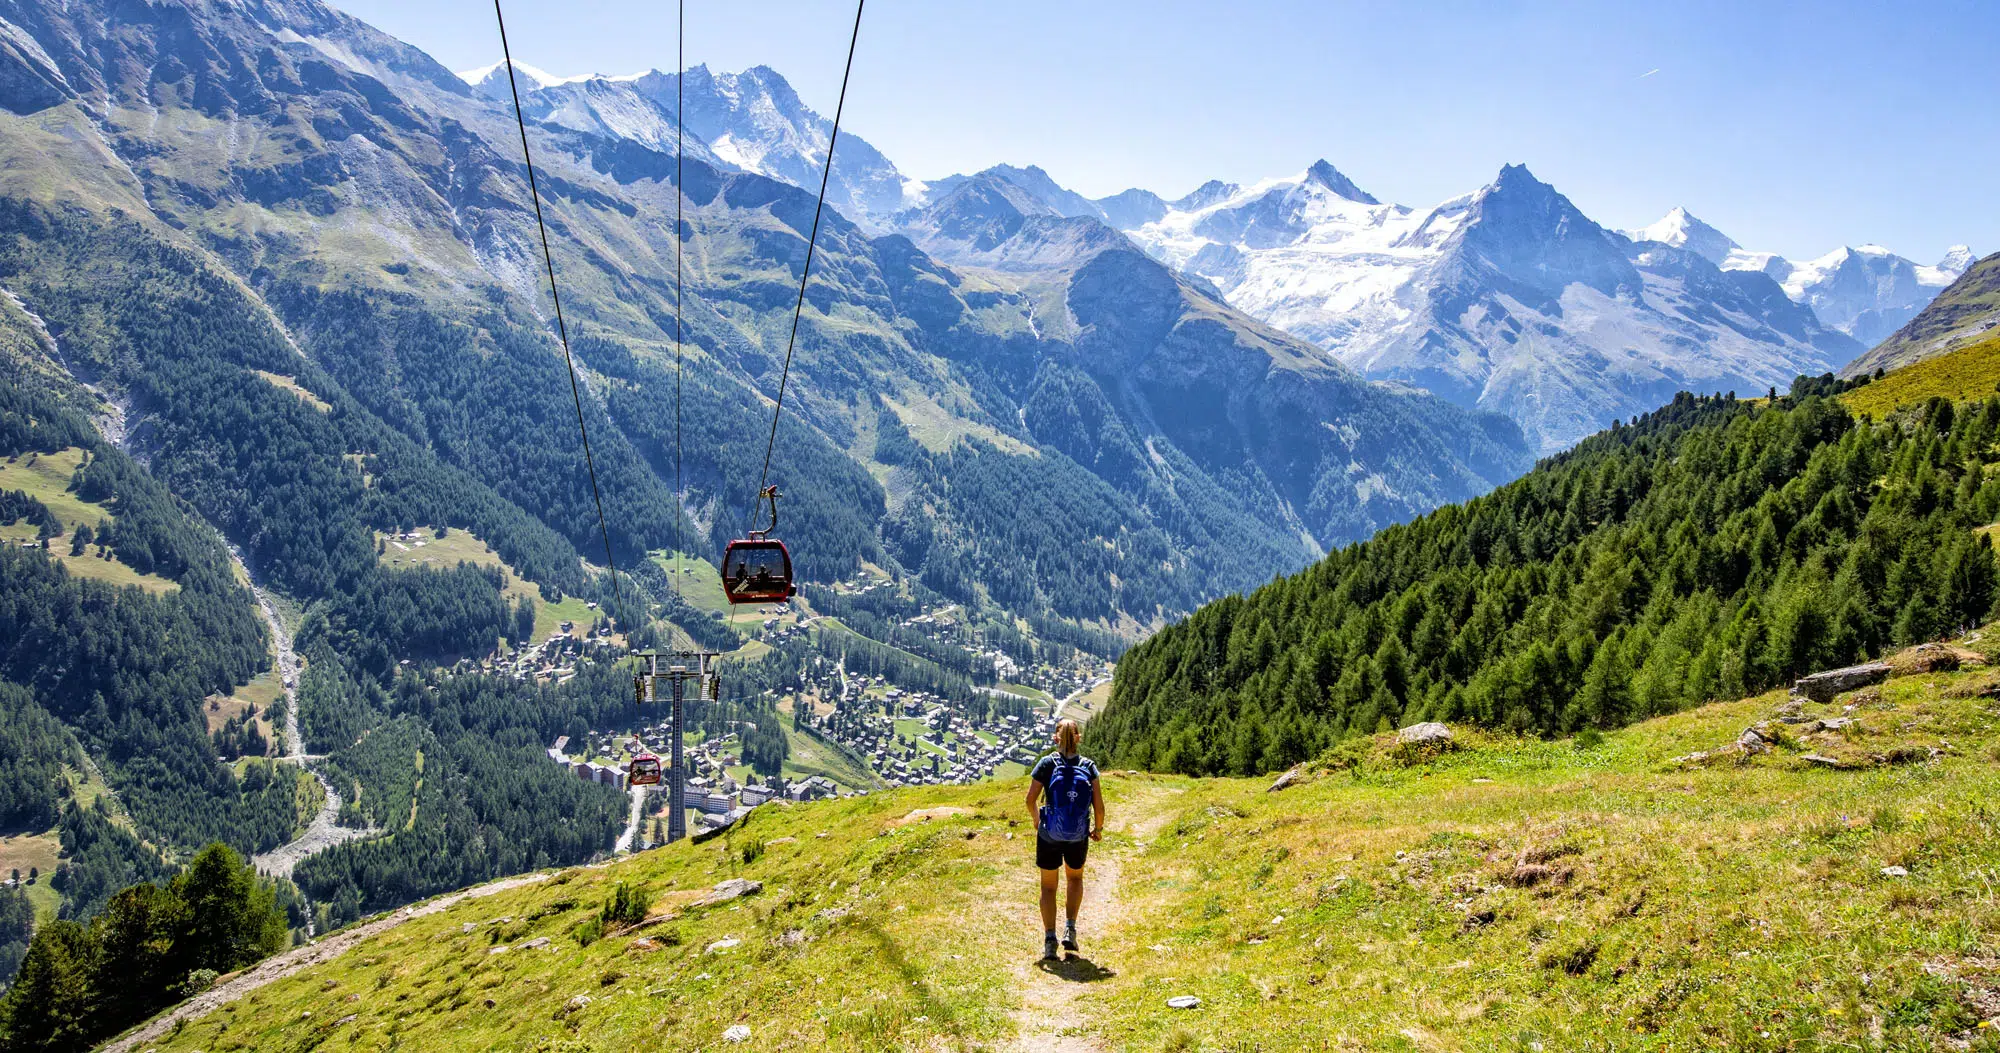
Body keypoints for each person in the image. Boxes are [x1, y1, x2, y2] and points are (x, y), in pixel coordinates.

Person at [1025, 718, 1104, 960]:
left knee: (1048, 887)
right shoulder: (1088, 767)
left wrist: (1038, 820)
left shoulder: (1047, 764)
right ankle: (1070, 928)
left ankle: (1050, 939)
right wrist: (1098, 829)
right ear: (1078, 737)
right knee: (1075, 878)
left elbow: (1030, 799)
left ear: (1055, 738)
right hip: (1078, 835)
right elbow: (1099, 807)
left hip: (1049, 834)